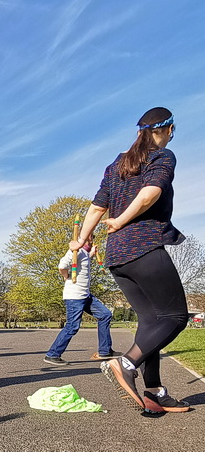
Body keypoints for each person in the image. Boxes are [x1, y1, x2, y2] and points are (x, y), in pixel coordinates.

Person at [72, 107, 190, 414]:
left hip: (117, 257)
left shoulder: (117, 163)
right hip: (144, 246)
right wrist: (122, 219)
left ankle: (155, 392)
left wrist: (83, 239)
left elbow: (97, 207)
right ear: (167, 129)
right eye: (171, 131)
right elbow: (150, 193)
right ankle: (126, 364)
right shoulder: (162, 157)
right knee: (176, 317)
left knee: (152, 321)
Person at [43, 236, 120, 366]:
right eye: (91, 237)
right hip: (74, 297)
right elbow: (62, 265)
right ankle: (53, 354)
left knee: (105, 314)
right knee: (72, 326)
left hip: (86, 296)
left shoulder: (84, 253)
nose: (93, 238)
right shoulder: (76, 250)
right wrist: (65, 276)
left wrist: (91, 253)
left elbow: (82, 262)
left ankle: (105, 351)